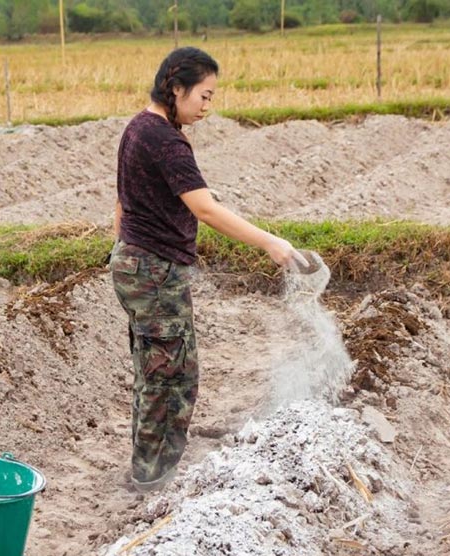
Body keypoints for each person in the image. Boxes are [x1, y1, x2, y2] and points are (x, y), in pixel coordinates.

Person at [110, 46, 307, 492]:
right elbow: (205, 211)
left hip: (135, 263)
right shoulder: (166, 139)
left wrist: (126, 250)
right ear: (175, 87)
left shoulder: (137, 128)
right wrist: (270, 242)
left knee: (154, 368)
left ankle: (148, 467)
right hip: (154, 271)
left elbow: (124, 202)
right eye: (204, 95)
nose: (206, 107)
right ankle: (153, 476)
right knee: (172, 377)